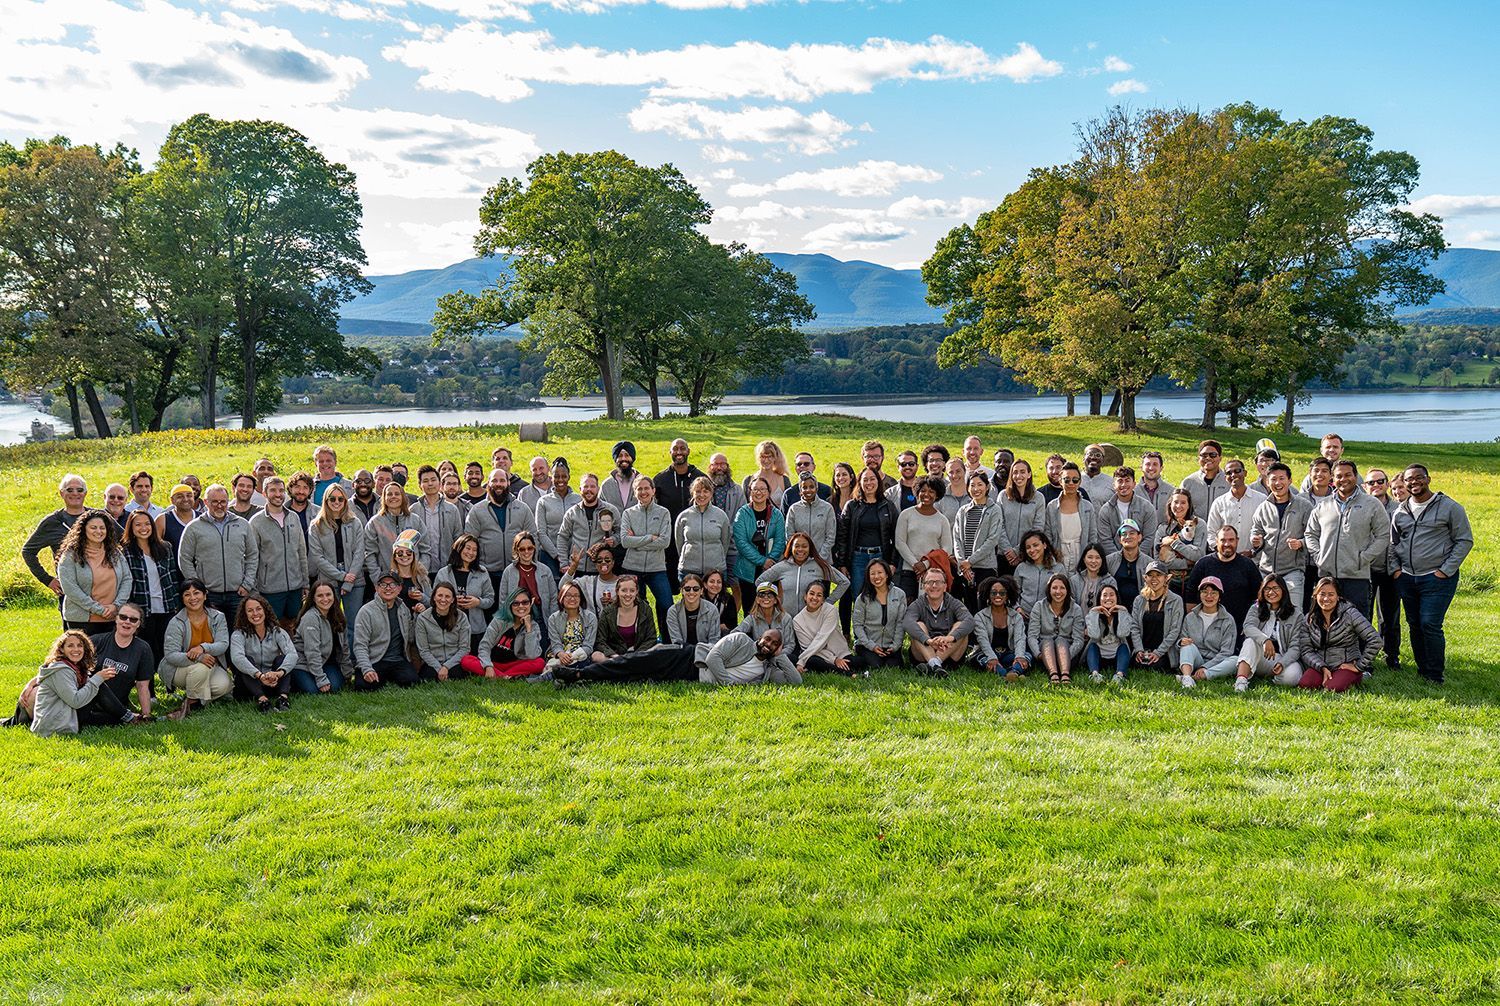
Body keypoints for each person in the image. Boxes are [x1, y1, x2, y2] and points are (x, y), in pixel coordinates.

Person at [1390, 464, 1472, 684]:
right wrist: (1396, 570)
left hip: (1436, 579)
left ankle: (1435, 674)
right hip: (1407, 578)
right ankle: (1422, 668)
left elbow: (1464, 540)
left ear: (1428, 479)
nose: (1414, 482)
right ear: (1404, 483)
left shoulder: (1450, 507)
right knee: (1415, 624)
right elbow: (1392, 544)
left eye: (1419, 478)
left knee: (1429, 623)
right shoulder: (1400, 511)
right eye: (1409, 479)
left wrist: (1445, 571)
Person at [1304, 460, 1390, 619]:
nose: (1343, 479)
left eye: (1348, 475)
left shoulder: (1371, 504)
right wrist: (1319, 557)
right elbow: (1310, 534)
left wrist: (1363, 558)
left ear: (1356, 477)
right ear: (1333, 478)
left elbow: (1383, 536)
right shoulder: (1323, 505)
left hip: (1356, 578)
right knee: (1326, 622)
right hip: (1327, 577)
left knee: (1357, 623)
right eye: (1339, 476)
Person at [29, 631, 136, 738]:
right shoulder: (60, 670)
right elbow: (75, 701)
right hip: (55, 725)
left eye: (80, 645)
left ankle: (129, 717)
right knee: (98, 685)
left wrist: (96, 679)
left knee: (113, 718)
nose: (76, 649)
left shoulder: (75, 667)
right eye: (70, 646)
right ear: (61, 649)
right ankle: (130, 717)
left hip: (67, 715)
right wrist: (98, 678)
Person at [158, 579, 233, 719]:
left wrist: (203, 648)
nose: (192, 598)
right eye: (187, 594)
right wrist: (198, 657)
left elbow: (223, 644)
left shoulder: (218, 617)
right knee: (201, 667)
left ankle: (194, 700)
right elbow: (170, 655)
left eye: (196, 593)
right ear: (182, 599)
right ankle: (192, 706)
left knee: (224, 686)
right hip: (178, 669)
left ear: (205, 595)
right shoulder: (176, 622)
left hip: (209, 665)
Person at [464, 468, 537, 605]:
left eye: (502, 480)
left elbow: (534, 538)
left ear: (508, 483)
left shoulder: (522, 508)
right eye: (495, 480)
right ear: (488, 484)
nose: (498, 484)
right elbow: (469, 541)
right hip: (487, 574)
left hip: (517, 571)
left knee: (516, 612)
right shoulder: (477, 510)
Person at [1249, 462, 1314, 611]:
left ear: (1289, 481)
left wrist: (1301, 543)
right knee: (1265, 613)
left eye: (1281, 478)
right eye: (1273, 479)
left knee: (1294, 614)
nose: (1277, 483)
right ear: (1267, 481)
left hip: (1293, 571)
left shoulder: (1304, 506)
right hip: (1266, 571)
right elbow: (1256, 530)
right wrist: (1255, 540)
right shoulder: (1263, 507)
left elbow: (1314, 535)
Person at [1299, 577, 1382, 693]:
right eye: (1322, 594)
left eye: (1331, 594)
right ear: (1315, 596)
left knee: (1333, 688)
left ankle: (1358, 676)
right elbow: (1305, 650)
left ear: (1338, 597)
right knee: (1305, 684)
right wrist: (1322, 667)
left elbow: (1375, 640)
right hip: (1321, 665)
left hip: (1345, 664)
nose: (1326, 598)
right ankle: (1327, 675)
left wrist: (1358, 666)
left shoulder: (1350, 614)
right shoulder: (1309, 618)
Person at [248, 476, 309, 631]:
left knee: (294, 625)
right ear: (264, 493)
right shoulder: (256, 522)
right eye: (273, 490)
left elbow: (301, 551)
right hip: (270, 589)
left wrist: (305, 582)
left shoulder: (293, 517)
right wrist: (254, 587)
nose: (278, 494)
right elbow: (252, 557)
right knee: (272, 628)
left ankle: (294, 655)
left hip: (295, 586)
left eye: (281, 490)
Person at [308, 484, 366, 643]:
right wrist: (342, 576)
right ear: (326, 500)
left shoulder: (355, 523)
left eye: (340, 499)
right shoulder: (316, 525)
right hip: (328, 579)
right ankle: (334, 660)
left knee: (353, 624)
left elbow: (360, 552)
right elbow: (318, 557)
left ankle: (354, 662)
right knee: (329, 624)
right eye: (332, 498)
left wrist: (350, 578)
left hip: (355, 578)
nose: (336, 502)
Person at [122, 509, 181, 663]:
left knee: (166, 646)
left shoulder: (165, 547)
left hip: (166, 606)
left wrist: (176, 604)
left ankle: (170, 683)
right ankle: (148, 683)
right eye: (138, 525)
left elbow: (173, 577)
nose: (143, 528)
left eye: (147, 524)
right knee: (146, 647)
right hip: (141, 607)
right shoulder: (125, 551)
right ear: (131, 528)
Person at [57, 510, 131, 632]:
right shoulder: (70, 555)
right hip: (81, 619)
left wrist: (116, 606)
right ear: (83, 529)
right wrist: (99, 609)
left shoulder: (115, 553)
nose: (98, 531)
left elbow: (127, 579)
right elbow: (70, 588)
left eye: (102, 528)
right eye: (93, 528)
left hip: (113, 617)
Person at [22, 476, 90, 606]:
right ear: (61, 493)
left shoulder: (98, 517)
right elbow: (28, 551)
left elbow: (123, 539)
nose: (75, 493)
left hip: (101, 589)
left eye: (79, 490)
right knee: (74, 627)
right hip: (69, 592)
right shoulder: (52, 522)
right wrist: (47, 580)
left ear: (85, 493)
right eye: (69, 490)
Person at [834, 467, 896, 606]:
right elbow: (842, 537)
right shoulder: (852, 506)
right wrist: (842, 563)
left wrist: (892, 562)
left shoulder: (888, 506)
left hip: (880, 556)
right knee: (858, 597)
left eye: (872, 479)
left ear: (878, 482)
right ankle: (859, 628)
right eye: (865, 480)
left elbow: (895, 536)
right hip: (858, 558)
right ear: (859, 483)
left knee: (880, 597)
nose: (869, 483)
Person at [1233, 574, 1306, 692]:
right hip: (1260, 656)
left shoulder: (1296, 614)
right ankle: (1241, 681)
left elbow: (1295, 647)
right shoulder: (1256, 608)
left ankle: (1271, 676)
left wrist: (1283, 663)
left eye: (1275, 588)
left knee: (1292, 676)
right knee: (1250, 641)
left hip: (1281, 658)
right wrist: (1265, 640)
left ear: (1283, 590)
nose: (1271, 592)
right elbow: (1248, 627)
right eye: (1267, 589)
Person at [230, 593, 298, 713]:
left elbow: (292, 654)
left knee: (282, 660)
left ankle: (283, 698)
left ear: (265, 610)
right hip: (249, 685)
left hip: (273, 681)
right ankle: (263, 701)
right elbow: (237, 658)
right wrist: (259, 675)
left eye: (258, 609)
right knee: (245, 660)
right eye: (250, 610)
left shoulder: (277, 631)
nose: (255, 614)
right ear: (244, 614)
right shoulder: (238, 634)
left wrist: (278, 673)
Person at [621, 475, 673, 631]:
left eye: (646, 488)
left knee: (666, 604)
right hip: (632, 568)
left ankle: (666, 640)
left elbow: (665, 542)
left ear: (653, 491)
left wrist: (636, 542)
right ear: (635, 492)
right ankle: (643, 642)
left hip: (656, 568)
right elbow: (624, 541)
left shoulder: (663, 513)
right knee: (638, 607)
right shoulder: (628, 513)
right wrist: (650, 538)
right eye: (639, 489)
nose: (643, 492)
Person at [1185, 526, 1262, 631]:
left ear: (1237, 541)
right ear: (1216, 541)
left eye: (1231, 540)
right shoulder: (1203, 564)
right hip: (1207, 628)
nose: (1227, 544)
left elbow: (1259, 597)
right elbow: (1191, 596)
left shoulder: (1248, 565)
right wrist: (1193, 625)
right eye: (1223, 540)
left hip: (1240, 627)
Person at [89, 602, 157, 719]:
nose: (127, 622)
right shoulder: (96, 641)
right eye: (123, 617)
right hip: (89, 701)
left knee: (111, 718)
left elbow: (142, 686)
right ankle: (130, 717)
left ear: (138, 624)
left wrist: (146, 715)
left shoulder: (143, 649)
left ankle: (132, 718)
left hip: (117, 706)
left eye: (133, 619)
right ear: (116, 619)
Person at [353, 573, 422, 688]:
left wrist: (416, 616)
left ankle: (392, 676)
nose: (388, 588)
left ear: (399, 588)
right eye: (383, 584)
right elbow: (360, 645)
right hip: (374, 659)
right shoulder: (366, 611)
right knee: (363, 686)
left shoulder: (403, 608)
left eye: (393, 584)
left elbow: (410, 637)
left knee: (412, 681)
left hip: (398, 660)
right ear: (376, 588)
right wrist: (366, 668)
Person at [1363, 468, 1402, 670]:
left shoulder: (1399, 509)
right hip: (1365, 569)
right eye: (1371, 482)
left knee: (1390, 615)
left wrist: (1398, 566)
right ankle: (1366, 656)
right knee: (1364, 615)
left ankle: (1392, 655)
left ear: (1387, 484)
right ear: (1365, 486)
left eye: (1380, 481)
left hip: (1390, 570)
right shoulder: (1362, 506)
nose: (1376, 485)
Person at [654, 438, 706, 589]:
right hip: (668, 543)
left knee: (695, 588)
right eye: (675, 449)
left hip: (694, 541)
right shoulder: (660, 480)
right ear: (670, 452)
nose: (679, 452)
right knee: (668, 590)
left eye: (682, 448)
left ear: (688, 451)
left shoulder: (700, 478)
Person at [902, 567, 973, 676]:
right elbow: (907, 622)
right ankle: (936, 665)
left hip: (949, 654)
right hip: (923, 655)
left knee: (960, 625)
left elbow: (970, 621)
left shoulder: (954, 602)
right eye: (930, 582)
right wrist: (928, 641)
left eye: (938, 582)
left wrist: (949, 638)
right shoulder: (918, 604)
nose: (934, 586)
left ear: (945, 587)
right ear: (924, 586)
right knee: (918, 625)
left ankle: (934, 664)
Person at [732, 476, 787, 616]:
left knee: (769, 609)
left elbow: (780, 540)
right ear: (750, 491)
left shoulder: (776, 514)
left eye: (762, 489)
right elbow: (741, 543)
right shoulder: (742, 514)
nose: (759, 492)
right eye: (755, 489)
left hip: (770, 569)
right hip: (748, 570)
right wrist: (762, 561)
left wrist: (770, 561)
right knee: (750, 610)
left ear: (768, 492)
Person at [434, 534, 496, 655]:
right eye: (468, 548)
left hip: (475, 629)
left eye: (474, 550)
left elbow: (490, 599)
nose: (471, 552)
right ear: (459, 548)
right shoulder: (444, 573)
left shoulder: (482, 572)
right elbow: (434, 599)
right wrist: (450, 601)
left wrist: (478, 602)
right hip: (449, 628)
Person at [763, 532, 849, 617]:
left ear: (810, 548)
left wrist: (826, 603)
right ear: (791, 547)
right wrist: (773, 601)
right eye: (796, 546)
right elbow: (760, 581)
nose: (800, 549)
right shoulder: (782, 566)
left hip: (810, 620)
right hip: (785, 620)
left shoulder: (818, 566)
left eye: (804, 546)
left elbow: (844, 582)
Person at [893, 476, 953, 598]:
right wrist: (915, 565)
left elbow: (947, 549)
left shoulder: (942, 520)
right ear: (917, 492)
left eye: (931, 491)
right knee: (908, 607)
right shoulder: (906, 515)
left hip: (933, 572)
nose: (927, 494)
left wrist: (925, 564)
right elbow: (900, 542)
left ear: (937, 495)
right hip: (908, 571)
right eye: (923, 491)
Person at [465, 590, 547, 679]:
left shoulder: (533, 626)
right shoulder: (499, 621)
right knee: (466, 660)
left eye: (525, 602)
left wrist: (529, 629)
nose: (521, 606)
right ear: (510, 605)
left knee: (540, 663)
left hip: (514, 664)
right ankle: (507, 677)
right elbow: (485, 646)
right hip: (493, 663)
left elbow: (532, 655)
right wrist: (488, 666)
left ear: (530, 604)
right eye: (516, 603)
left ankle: (499, 676)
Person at [952, 472, 1003, 612]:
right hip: (965, 569)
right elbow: (957, 538)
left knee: (984, 609)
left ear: (987, 487)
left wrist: (971, 561)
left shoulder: (994, 510)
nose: (976, 489)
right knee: (967, 608)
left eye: (980, 485)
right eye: (972, 485)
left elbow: (992, 540)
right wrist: (963, 563)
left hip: (985, 568)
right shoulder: (963, 511)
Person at [1175, 578, 1238, 688]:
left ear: (1219, 597)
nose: (1209, 596)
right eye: (1205, 592)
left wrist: (1205, 667)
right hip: (1194, 660)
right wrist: (1181, 642)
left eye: (1213, 593)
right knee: (1187, 645)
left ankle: (1203, 675)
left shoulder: (1228, 620)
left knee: (1236, 661)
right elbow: (1180, 642)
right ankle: (1187, 677)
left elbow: (1226, 652)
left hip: (1217, 663)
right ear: (1200, 595)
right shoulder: (1190, 617)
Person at [293, 581, 354, 694]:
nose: (325, 599)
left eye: (328, 594)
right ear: (313, 599)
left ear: (334, 596)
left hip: (326, 662)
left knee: (335, 687)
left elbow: (344, 648)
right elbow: (312, 652)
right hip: (303, 663)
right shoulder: (310, 618)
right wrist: (321, 679)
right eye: (320, 595)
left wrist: (348, 674)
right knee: (313, 691)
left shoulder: (338, 616)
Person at [557, 473, 620, 578]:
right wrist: (564, 563)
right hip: (577, 568)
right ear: (580, 489)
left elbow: (620, 532)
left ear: (598, 489)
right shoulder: (572, 512)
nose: (589, 490)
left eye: (592, 486)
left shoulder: (611, 510)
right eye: (585, 486)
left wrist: (614, 539)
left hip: (601, 567)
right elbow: (562, 537)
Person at [850, 559, 905, 673]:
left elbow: (900, 623)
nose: (876, 577)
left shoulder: (899, 594)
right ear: (868, 576)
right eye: (872, 574)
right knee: (876, 666)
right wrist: (871, 646)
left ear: (886, 573)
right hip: (868, 645)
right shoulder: (862, 598)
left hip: (890, 645)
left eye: (880, 572)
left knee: (894, 667)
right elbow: (857, 626)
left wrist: (895, 646)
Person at [363, 482, 421, 591]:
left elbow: (425, 549)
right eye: (389, 494)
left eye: (397, 494)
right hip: (387, 582)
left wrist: (420, 573)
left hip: (413, 579)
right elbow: (369, 554)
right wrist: (378, 578)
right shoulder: (375, 523)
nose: (393, 496)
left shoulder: (415, 520)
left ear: (403, 497)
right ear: (384, 498)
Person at [1028, 573, 1084, 685]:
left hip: (1067, 652)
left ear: (1067, 590)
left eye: (1062, 588)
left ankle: (1065, 674)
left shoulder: (1076, 608)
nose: (1058, 592)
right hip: (1045, 653)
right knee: (1048, 641)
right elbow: (1032, 636)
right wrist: (1038, 654)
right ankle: (1053, 674)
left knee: (1061, 640)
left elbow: (1078, 640)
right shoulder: (1039, 606)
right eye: (1054, 588)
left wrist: (1066, 655)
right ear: (1049, 590)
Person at [674, 476, 732, 585]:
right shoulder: (684, 516)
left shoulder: (721, 515)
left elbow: (725, 542)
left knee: (715, 601)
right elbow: (679, 543)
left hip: (715, 570)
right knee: (691, 600)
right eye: (698, 491)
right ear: (692, 493)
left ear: (711, 493)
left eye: (706, 491)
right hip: (689, 569)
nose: (702, 495)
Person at [1130, 561, 1184, 675]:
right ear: (1145, 578)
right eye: (1150, 575)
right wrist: (1139, 650)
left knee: (1155, 667)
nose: (1154, 579)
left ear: (1166, 578)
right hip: (1143, 651)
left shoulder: (1176, 600)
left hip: (1164, 652)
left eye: (1158, 575)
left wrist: (1158, 653)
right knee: (1139, 665)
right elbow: (1134, 627)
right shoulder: (1139, 600)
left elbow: (1174, 631)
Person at [1204, 458, 1265, 556]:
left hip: (1255, 560)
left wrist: (1253, 552)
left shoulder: (1261, 500)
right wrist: (1223, 552)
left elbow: (1268, 530)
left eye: (1237, 471)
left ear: (1245, 473)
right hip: (1226, 562)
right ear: (1225, 478)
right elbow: (1210, 532)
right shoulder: (1219, 502)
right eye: (1229, 473)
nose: (1233, 475)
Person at [973, 575, 1028, 680]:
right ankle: (1006, 675)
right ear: (988, 595)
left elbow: (1020, 639)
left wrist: (1019, 656)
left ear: (1007, 596)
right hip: (988, 653)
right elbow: (982, 640)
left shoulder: (1016, 616)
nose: (998, 595)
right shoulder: (980, 616)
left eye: (1002, 593)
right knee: (981, 659)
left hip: (1008, 653)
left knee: (1027, 657)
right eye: (994, 593)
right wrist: (992, 658)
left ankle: (1013, 672)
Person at [792, 581, 853, 676]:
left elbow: (822, 637)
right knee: (813, 661)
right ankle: (847, 673)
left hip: (838, 652)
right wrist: (833, 660)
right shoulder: (797, 620)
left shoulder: (830, 610)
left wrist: (801, 661)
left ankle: (836, 668)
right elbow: (808, 647)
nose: (815, 598)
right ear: (805, 596)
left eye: (819, 595)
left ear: (823, 600)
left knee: (857, 662)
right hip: (817, 654)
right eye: (811, 594)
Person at [1097, 467, 1159, 558]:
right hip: (1114, 560)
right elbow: (1105, 540)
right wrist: (1119, 558)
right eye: (1120, 481)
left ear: (1134, 484)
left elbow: (1149, 537)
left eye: (1127, 481)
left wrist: (1134, 556)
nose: (1123, 484)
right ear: (1114, 485)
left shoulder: (1147, 508)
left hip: (1142, 558)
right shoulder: (1106, 510)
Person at [702, 629, 802, 687]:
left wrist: (780, 655)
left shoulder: (769, 669)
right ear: (759, 638)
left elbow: (796, 682)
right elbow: (712, 658)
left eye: (775, 644)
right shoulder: (741, 639)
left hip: (703, 680)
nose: (769, 644)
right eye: (767, 639)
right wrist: (729, 685)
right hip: (696, 666)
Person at [413, 464, 463, 576]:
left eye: (433, 480)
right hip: (420, 570)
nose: (430, 483)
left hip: (446, 569)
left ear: (440, 483)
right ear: (420, 485)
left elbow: (458, 538)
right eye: (425, 481)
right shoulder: (413, 510)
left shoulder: (452, 509)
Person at [533, 458, 580, 576]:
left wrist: (569, 556)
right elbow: (541, 532)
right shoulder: (543, 501)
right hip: (549, 555)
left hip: (574, 556)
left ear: (569, 477)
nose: (560, 480)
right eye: (556, 476)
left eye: (564, 476)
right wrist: (558, 555)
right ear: (551, 477)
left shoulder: (578, 500)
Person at [997, 459, 1045, 575]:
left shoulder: (1038, 498)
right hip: (1004, 555)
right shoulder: (1003, 496)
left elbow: (1038, 528)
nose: (1019, 476)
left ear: (1029, 474)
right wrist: (1008, 551)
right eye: (1015, 472)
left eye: (1022, 472)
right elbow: (998, 524)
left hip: (1029, 554)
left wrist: (1019, 551)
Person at [497, 531, 558, 622]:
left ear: (534, 548)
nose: (526, 552)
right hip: (517, 616)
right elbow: (503, 601)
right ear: (516, 550)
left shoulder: (545, 570)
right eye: (522, 549)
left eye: (530, 548)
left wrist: (552, 620)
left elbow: (553, 598)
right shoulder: (508, 571)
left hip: (540, 616)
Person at [414, 583, 469, 683]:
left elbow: (464, 648)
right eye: (440, 595)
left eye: (447, 596)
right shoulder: (423, 618)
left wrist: (446, 667)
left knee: (457, 676)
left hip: (454, 662)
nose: (443, 600)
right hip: (433, 662)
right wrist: (439, 668)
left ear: (453, 600)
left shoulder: (461, 617)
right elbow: (424, 650)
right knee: (427, 678)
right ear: (434, 597)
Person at [1154, 489, 1204, 598]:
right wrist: (1187, 563)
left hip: (1193, 580)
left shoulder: (1199, 524)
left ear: (1189, 505)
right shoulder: (1163, 529)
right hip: (1169, 581)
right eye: (1176, 502)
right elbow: (1159, 561)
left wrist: (1173, 542)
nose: (1179, 506)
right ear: (1170, 504)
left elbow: (1199, 556)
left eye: (1183, 502)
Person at [664, 573, 721, 665]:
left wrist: (701, 653)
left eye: (696, 589)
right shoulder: (673, 612)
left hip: (706, 653)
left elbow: (714, 640)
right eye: (687, 589)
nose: (691, 592)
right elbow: (677, 641)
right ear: (682, 591)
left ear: (701, 591)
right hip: (682, 654)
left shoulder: (712, 609)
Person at [1084, 583, 1134, 685]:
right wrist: (1093, 612)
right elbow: (1094, 635)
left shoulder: (1123, 614)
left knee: (1124, 647)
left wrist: (1123, 611)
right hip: (1099, 655)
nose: (1108, 598)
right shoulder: (1093, 615)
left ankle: (1119, 675)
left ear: (1116, 597)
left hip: (1117, 655)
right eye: (1105, 595)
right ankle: (1095, 675)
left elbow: (1122, 634)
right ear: (1100, 598)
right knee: (1092, 646)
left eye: (1112, 595)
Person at [736, 581, 798, 662]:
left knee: (792, 658)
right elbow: (736, 633)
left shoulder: (786, 618)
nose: (766, 598)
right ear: (757, 600)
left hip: (780, 656)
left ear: (775, 600)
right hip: (760, 655)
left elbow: (790, 644)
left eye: (770, 595)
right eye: (762, 595)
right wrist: (753, 648)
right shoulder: (752, 618)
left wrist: (777, 655)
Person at [784, 473, 837, 560]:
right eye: (804, 487)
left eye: (811, 487)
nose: (808, 490)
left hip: (823, 560)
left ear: (816, 489)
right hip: (800, 560)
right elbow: (789, 536)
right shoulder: (794, 509)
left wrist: (820, 557)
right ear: (800, 491)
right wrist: (799, 556)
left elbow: (830, 538)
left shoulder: (827, 508)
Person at [1013, 530, 1067, 615]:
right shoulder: (1021, 568)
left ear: (1044, 545)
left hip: (1048, 617)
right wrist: (1017, 608)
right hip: (1024, 616)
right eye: (1028, 547)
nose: (1032, 550)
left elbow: (1065, 593)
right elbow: (1014, 592)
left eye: (1035, 545)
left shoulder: (1058, 568)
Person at [563, 544, 623, 613]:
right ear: (596, 565)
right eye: (599, 561)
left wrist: (616, 605)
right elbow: (563, 587)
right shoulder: (587, 581)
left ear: (613, 562)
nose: (603, 562)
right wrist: (573, 566)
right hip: (593, 622)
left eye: (607, 560)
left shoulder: (623, 583)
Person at [1106, 520, 1151, 611]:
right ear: (1119, 539)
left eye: (1132, 533)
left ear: (1139, 537)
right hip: (1114, 611)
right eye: (1124, 534)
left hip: (1140, 611)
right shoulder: (1109, 561)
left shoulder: (1149, 563)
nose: (1128, 536)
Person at [1180, 439, 1229, 517]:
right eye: (1204, 455)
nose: (1208, 458)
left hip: (1222, 528)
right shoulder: (1188, 482)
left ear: (1220, 458)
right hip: (1196, 528)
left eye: (1212, 455)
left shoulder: (1229, 481)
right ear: (1198, 458)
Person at [387, 531, 431, 615]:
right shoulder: (390, 578)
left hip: (418, 622)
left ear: (413, 556)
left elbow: (433, 603)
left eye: (409, 552)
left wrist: (422, 598)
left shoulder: (422, 577)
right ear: (395, 557)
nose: (404, 555)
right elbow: (379, 602)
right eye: (400, 553)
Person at [743, 440, 794, 511]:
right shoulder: (748, 480)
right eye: (763, 457)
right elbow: (744, 508)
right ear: (758, 458)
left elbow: (790, 507)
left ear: (775, 457)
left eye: (769, 457)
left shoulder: (784, 480)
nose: (766, 461)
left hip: (778, 521)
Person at [1070, 544, 1116, 612]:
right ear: (1084, 559)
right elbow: (1071, 607)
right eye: (1090, 557)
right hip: (1078, 621)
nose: (1093, 561)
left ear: (1102, 560)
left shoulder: (1110, 581)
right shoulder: (1074, 580)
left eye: (1097, 558)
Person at [156, 483, 198, 555]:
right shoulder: (163, 519)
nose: (185, 499)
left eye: (189, 496)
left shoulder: (202, 518)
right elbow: (154, 545)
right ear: (172, 500)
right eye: (180, 496)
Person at [602, 440, 641, 513]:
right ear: (615, 459)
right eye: (620, 456)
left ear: (632, 458)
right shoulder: (606, 485)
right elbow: (599, 509)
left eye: (627, 455)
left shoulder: (643, 483)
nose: (623, 459)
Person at [1138, 451, 1174, 521]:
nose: (1151, 468)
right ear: (1141, 468)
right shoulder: (1133, 492)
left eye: (1155, 464)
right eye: (1148, 464)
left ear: (1161, 468)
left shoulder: (1171, 492)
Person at [284, 472, 318, 546]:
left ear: (310, 491)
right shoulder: (281, 512)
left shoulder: (319, 513)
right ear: (290, 488)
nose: (301, 491)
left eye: (305, 488)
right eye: (297, 487)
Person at [702, 569, 738, 638]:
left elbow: (732, 623)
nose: (715, 585)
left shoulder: (728, 599)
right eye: (712, 582)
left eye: (719, 582)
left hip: (721, 633)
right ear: (705, 584)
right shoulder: (699, 599)